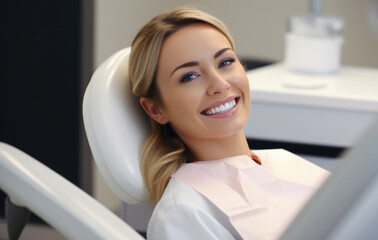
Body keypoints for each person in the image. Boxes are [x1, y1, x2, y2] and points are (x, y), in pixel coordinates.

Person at [128, 6, 330, 239]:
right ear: (156, 109)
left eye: (225, 62)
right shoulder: (184, 213)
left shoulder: (282, 161)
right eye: (189, 76)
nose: (220, 84)